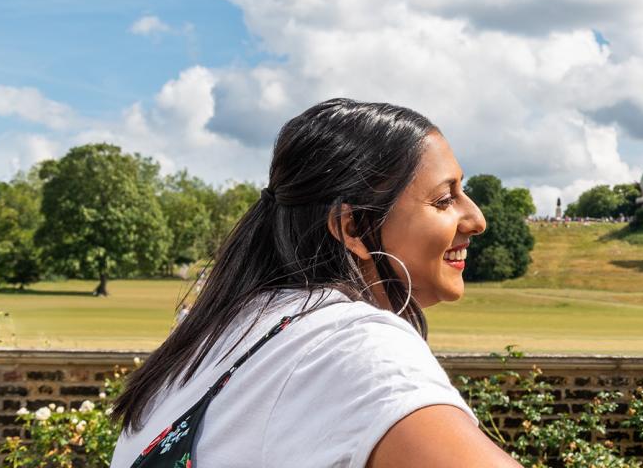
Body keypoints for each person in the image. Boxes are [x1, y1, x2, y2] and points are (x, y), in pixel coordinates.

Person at [110, 99, 520, 468]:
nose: (477, 220)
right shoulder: (349, 346)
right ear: (353, 226)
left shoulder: (216, 337)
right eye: (444, 199)